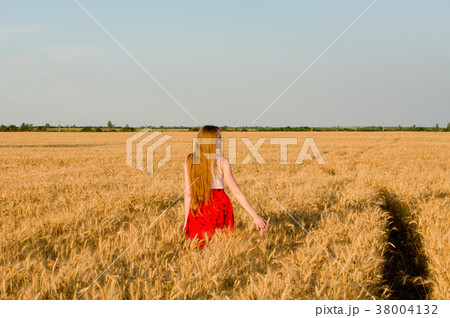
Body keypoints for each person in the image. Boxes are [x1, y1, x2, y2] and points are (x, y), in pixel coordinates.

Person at [183, 125, 268, 249]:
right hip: (219, 206)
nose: (221, 140)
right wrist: (255, 216)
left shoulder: (189, 159)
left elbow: (188, 193)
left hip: (198, 207)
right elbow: (236, 191)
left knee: (197, 246)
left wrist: (187, 219)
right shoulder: (222, 161)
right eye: (219, 137)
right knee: (219, 246)